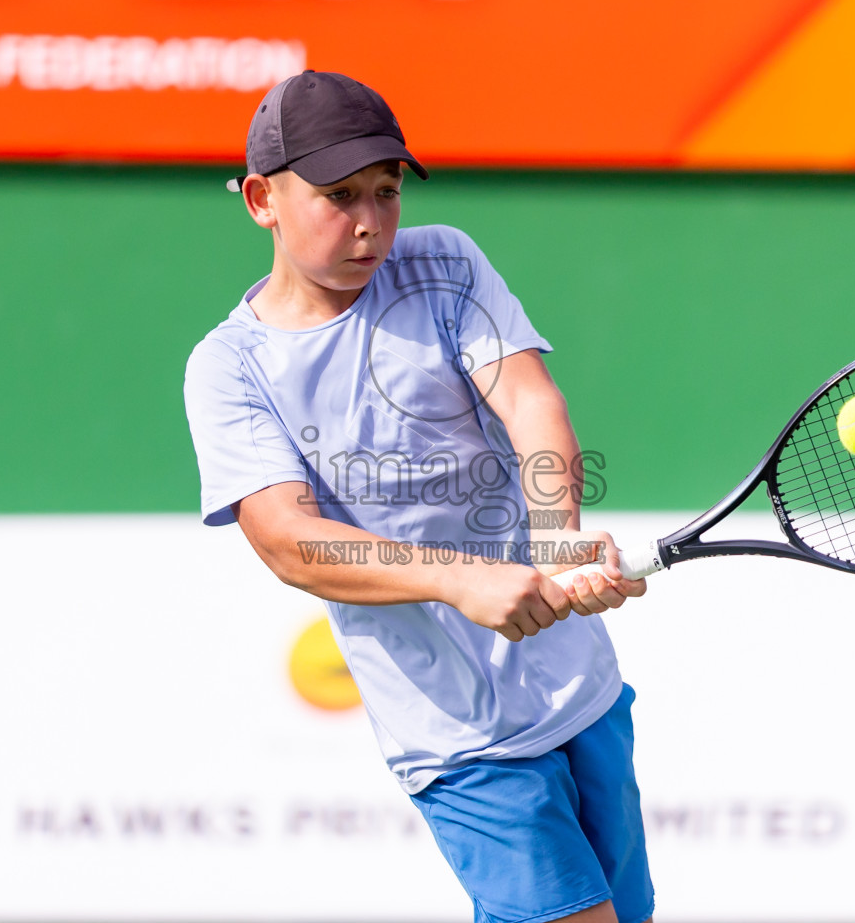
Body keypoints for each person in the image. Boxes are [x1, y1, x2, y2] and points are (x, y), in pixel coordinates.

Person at [184, 70, 654, 923]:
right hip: (458, 737)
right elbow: (289, 541)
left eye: (386, 192)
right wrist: (459, 579)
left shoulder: (443, 260)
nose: (370, 223)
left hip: (580, 690)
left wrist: (554, 536)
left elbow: (529, 401)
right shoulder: (230, 367)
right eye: (337, 196)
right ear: (262, 200)